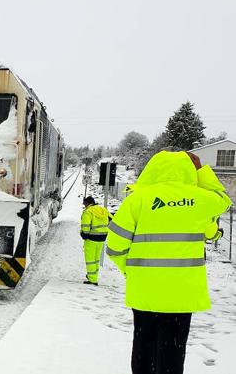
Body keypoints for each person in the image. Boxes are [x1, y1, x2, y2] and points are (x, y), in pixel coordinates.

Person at [106, 151, 232, 374]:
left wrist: (133, 271)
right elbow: (223, 199)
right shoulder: (200, 199)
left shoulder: (138, 199)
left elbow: (115, 247)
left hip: (145, 292)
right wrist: (202, 171)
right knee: (173, 351)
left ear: (152, 169)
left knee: (144, 347)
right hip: (182, 293)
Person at [80, 195, 111, 285]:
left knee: (90, 260)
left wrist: (84, 235)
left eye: (84, 204)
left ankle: (92, 279)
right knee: (96, 259)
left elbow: (85, 226)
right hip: (102, 238)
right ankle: (94, 276)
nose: (84, 206)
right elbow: (112, 220)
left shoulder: (88, 212)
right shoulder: (103, 210)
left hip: (91, 239)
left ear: (87, 203)